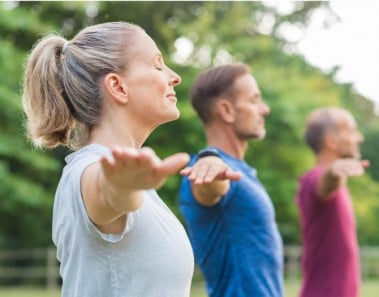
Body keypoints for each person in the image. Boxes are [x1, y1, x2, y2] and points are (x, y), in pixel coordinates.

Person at [21, 21, 194, 297]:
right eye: (158, 65)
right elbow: (106, 193)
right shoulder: (89, 172)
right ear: (118, 87)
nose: (175, 77)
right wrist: (120, 188)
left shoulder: (135, 183)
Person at [179, 64, 284, 297]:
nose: (264, 109)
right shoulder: (206, 169)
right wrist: (210, 165)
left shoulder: (242, 172)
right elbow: (210, 187)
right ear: (227, 110)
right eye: (254, 100)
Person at [295, 107, 369, 297]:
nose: (359, 138)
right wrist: (333, 171)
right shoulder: (314, 179)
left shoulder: (339, 187)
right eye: (351, 131)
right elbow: (325, 183)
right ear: (331, 141)